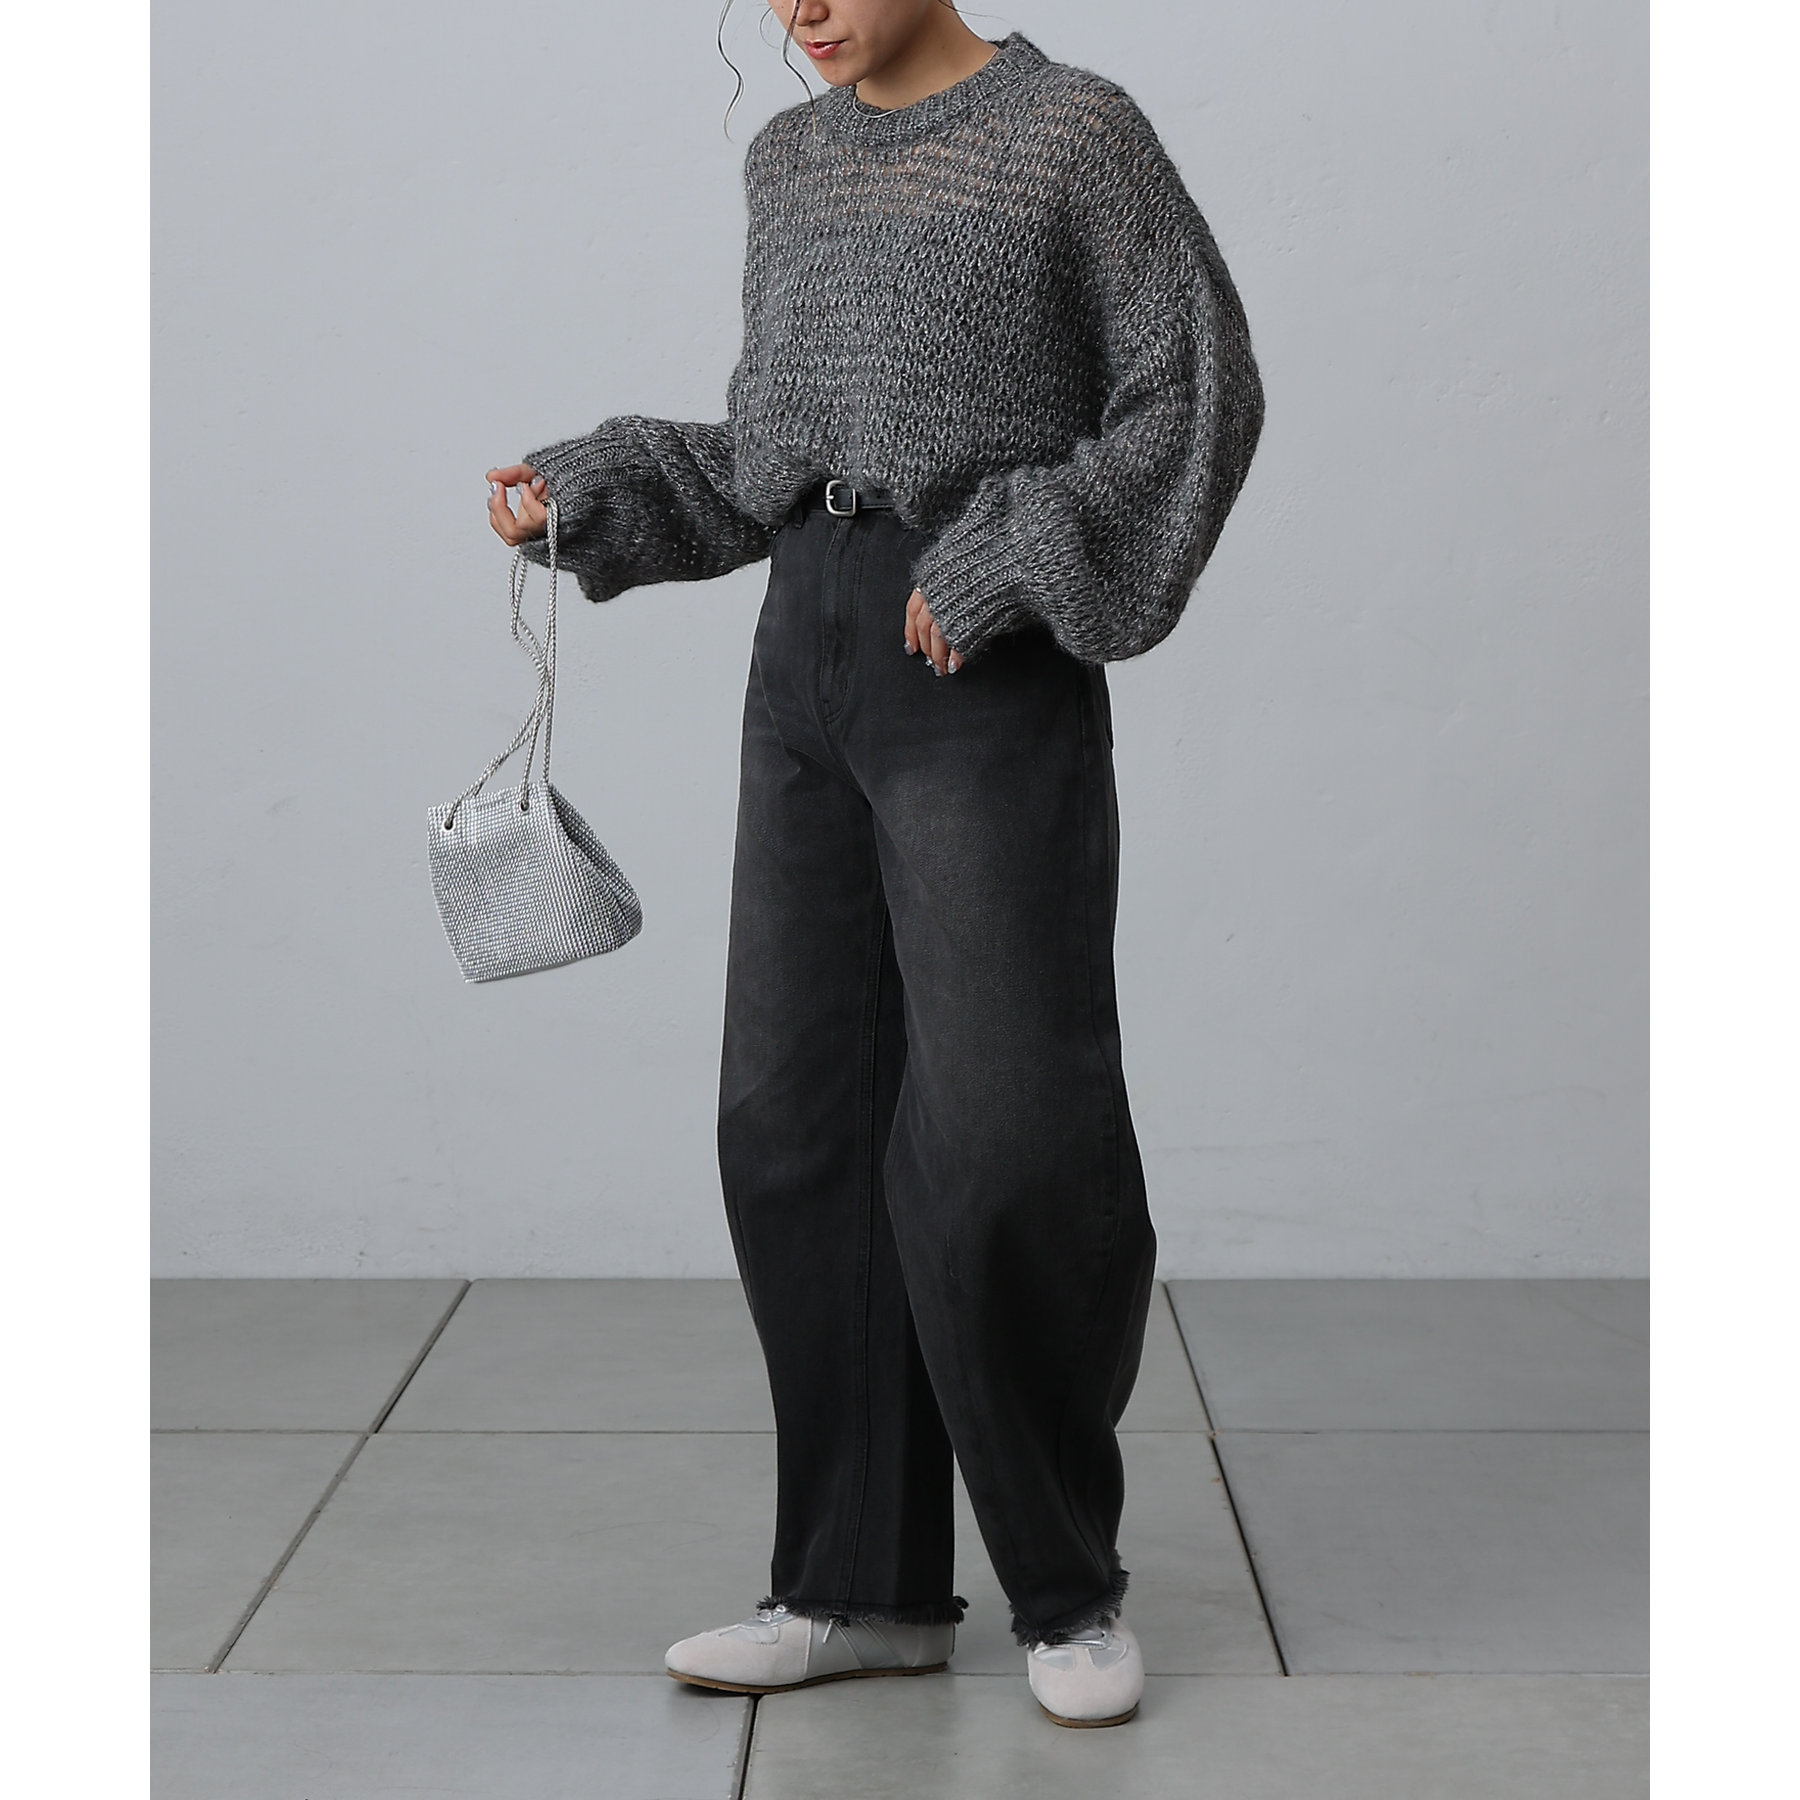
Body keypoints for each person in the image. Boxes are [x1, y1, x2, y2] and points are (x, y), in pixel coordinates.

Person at [485, 0, 1262, 1729]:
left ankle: (1066, 1588)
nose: (802, 11)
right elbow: (776, 467)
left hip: (975, 662)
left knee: (1005, 1132)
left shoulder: (1074, 138)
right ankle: (857, 1585)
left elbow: (1196, 398)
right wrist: (591, 489)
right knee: (795, 1121)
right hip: (805, 662)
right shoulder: (792, 163)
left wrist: (1011, 558)